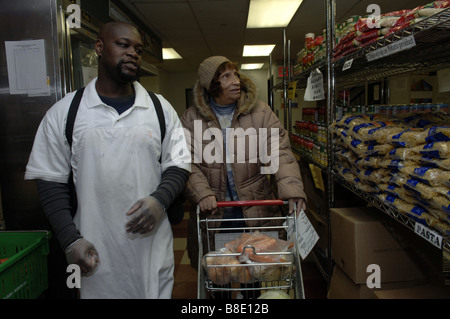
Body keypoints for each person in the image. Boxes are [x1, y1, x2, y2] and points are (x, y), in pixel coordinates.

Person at [24, 21, 191, 299]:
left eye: (138, 49)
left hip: (151, 253)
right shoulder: (66, 112)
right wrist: (70, 240)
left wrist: (161, 199)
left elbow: (178, 165)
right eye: (123, 45)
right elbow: (50, 182)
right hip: (95, 257)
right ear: (99, 47)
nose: (133, 53)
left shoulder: (160, 109)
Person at [181, 56, 307, 270]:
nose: (235, 81)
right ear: (212, 85)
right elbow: (185, 161)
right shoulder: (191, 118)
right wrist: (202, 192)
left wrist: (292, 188)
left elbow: (280, 151)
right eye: (226, 76)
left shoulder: (261, 112)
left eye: (236, 74)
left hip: (257, 207)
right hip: (216, 213)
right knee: (221, 272)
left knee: (258, 271)